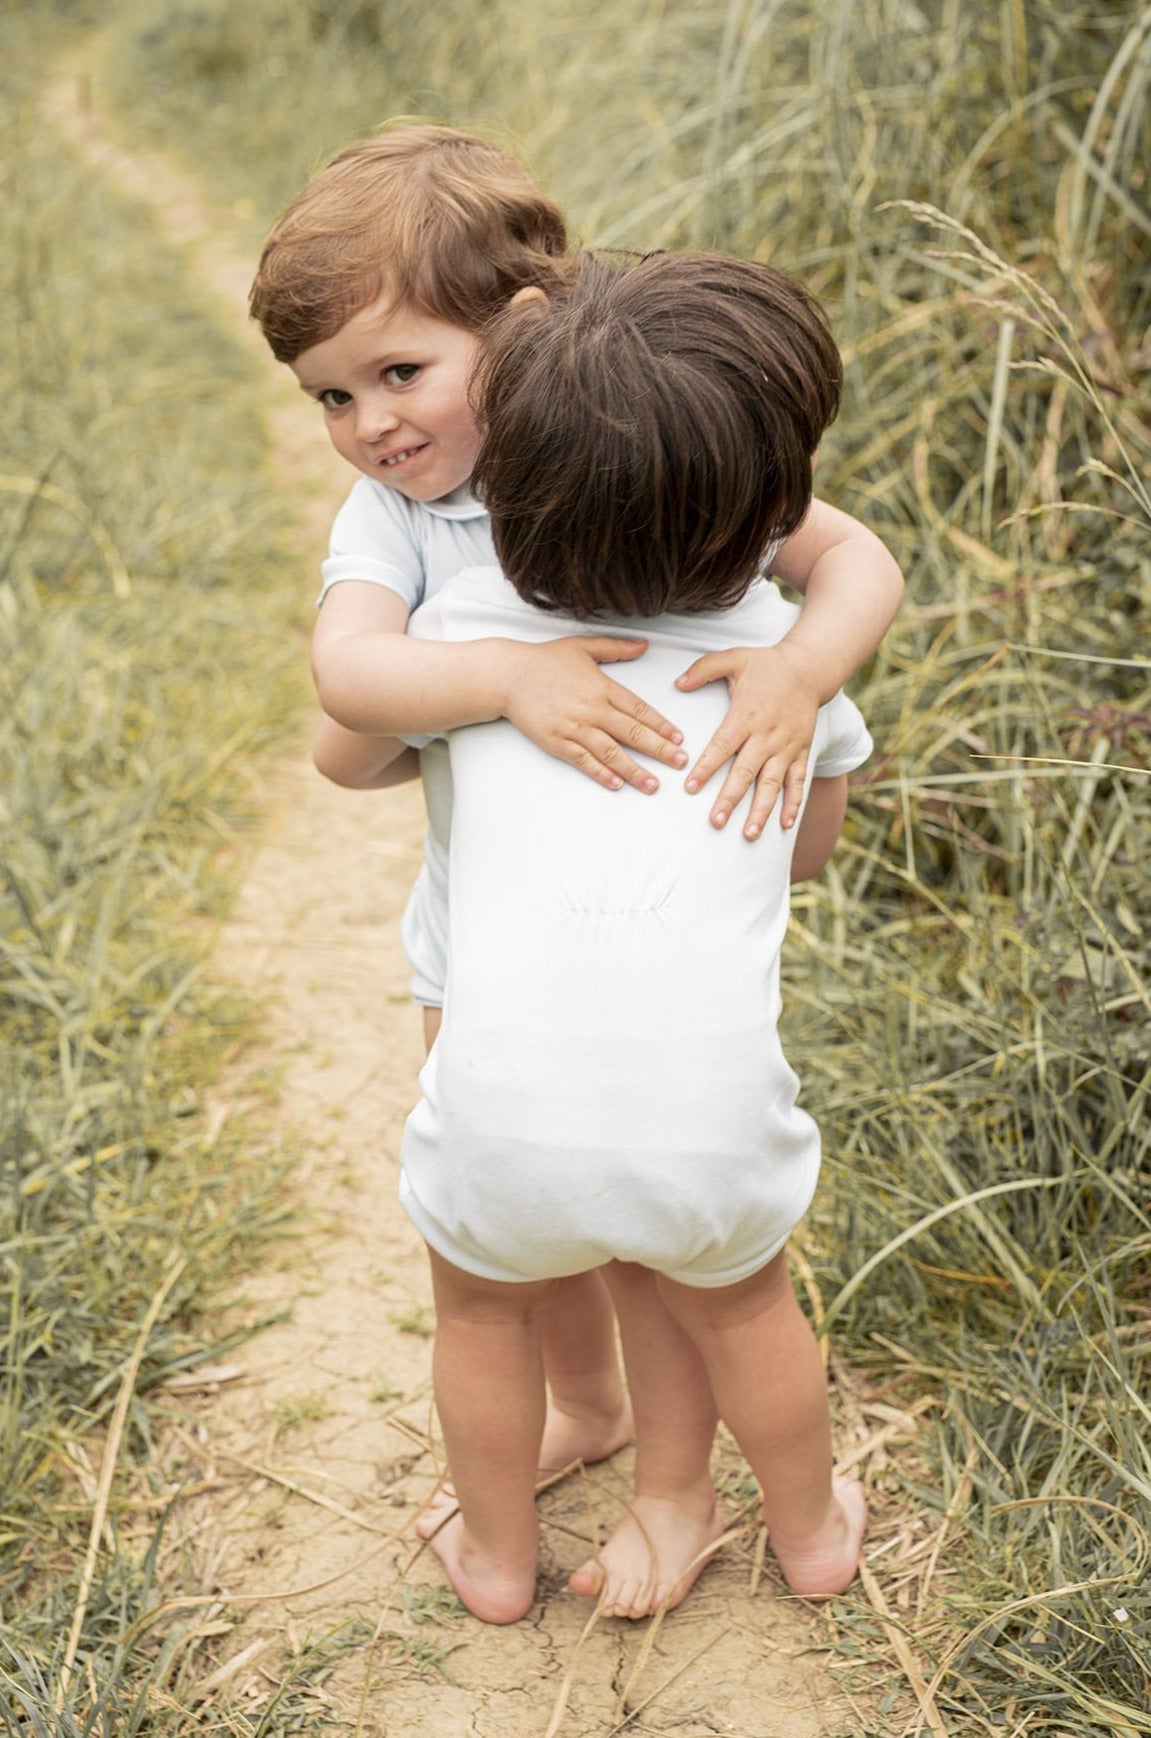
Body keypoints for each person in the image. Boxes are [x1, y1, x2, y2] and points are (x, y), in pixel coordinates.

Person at [248, 124, 901, 1517]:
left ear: (523, 330)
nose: (371, 424)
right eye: (331, 398)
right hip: (475, 927)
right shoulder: (394, 518)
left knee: (612, 1196)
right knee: (516, 1187)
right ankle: (590, 1410)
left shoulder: (633, 435)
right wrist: (497, 677)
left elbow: (850, 552)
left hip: (627, 893)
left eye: (402, 371)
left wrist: (799, 668)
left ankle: (646, 1439)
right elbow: (347, 694)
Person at [396, 249, 874, 1624]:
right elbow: (806, 849)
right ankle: (812, 1534)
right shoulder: (786, 659)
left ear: (511, 504)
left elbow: (345, 742)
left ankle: (492, 1563)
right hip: (707, 1129)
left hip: (497, 1127)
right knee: (744, 1308)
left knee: (480, 1316)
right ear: (771, 509)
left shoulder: (463, 635)